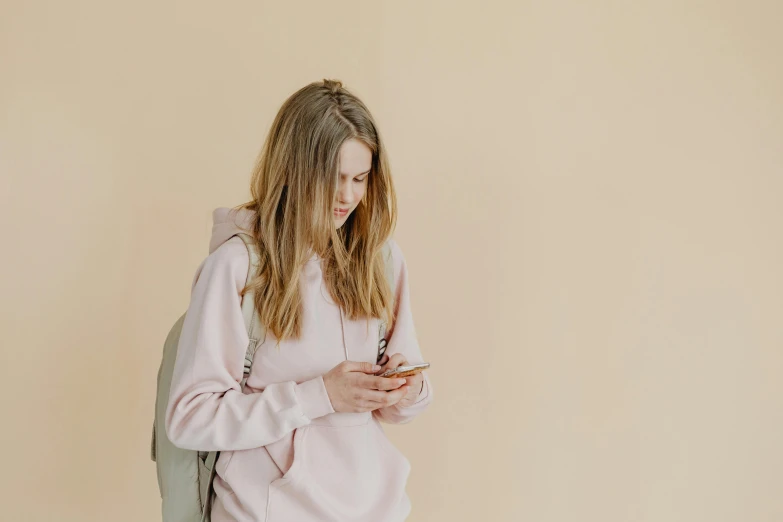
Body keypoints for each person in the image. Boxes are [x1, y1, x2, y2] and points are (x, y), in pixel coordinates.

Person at [165, 79, 433, 522]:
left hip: (374, 510)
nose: (348, 196)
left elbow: (404, 407)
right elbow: (190, 418)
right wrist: (320, 395)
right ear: (294, 170)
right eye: (333, 179)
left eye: (360, 179)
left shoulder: (381, 260)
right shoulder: (237, 267)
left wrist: (406, 387)